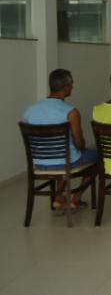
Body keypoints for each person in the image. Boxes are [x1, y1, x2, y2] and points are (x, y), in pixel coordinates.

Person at [24, 69, 97, 211]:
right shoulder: (71, 111)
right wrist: (80, 145)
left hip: (39, 164)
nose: (73, 87)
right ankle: (76, 199)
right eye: (72, 84)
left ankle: (58, 197)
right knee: (98, 156)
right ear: (66, 87)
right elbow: (80, 143)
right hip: (65, 163)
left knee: (63, 154)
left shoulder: (30, 111)